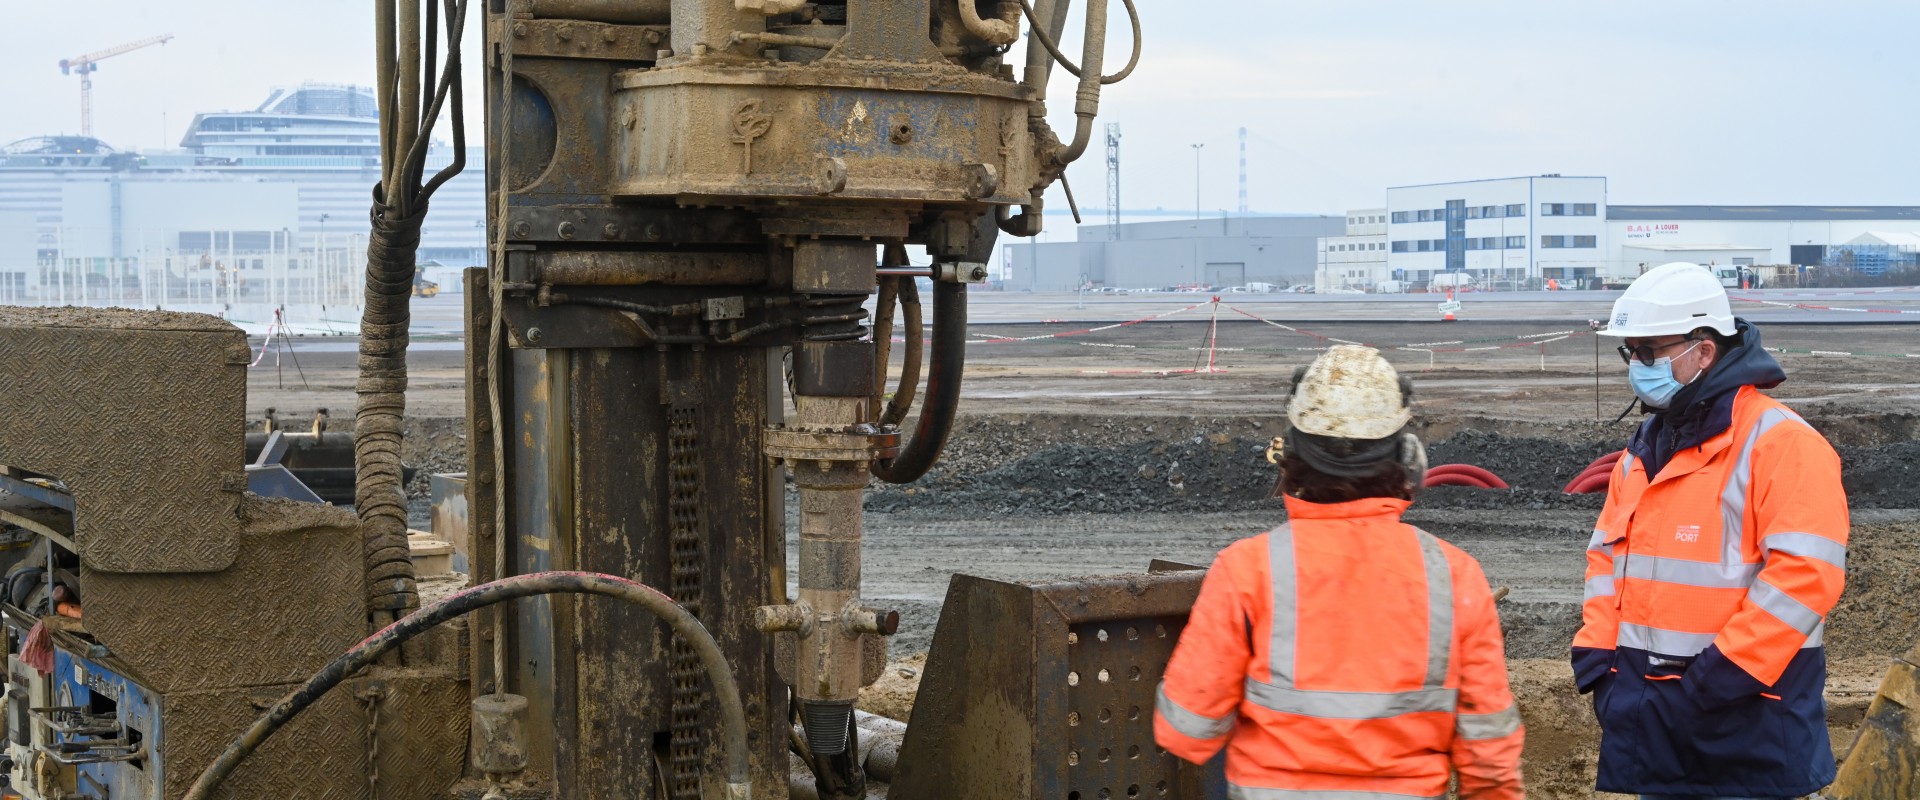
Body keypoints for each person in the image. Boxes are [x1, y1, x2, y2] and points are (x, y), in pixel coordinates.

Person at [1155, 345, 1524, 799]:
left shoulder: (1246, 569)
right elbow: (1489, 757)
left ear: (1290, 454)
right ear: (1407, 454)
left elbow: (1187, 731)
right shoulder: (1454, 574)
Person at [1576, 261, 1848, 799]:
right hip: (1655, 720)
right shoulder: (1644, 451)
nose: (1638, 366)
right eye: (1631, 352)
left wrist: (1716, 681)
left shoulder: (1781, 444)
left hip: (1749, 727)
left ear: (1703, 351)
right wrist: (1597, 659)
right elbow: (1608, 558)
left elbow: (1804, 579)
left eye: (1650, 351)